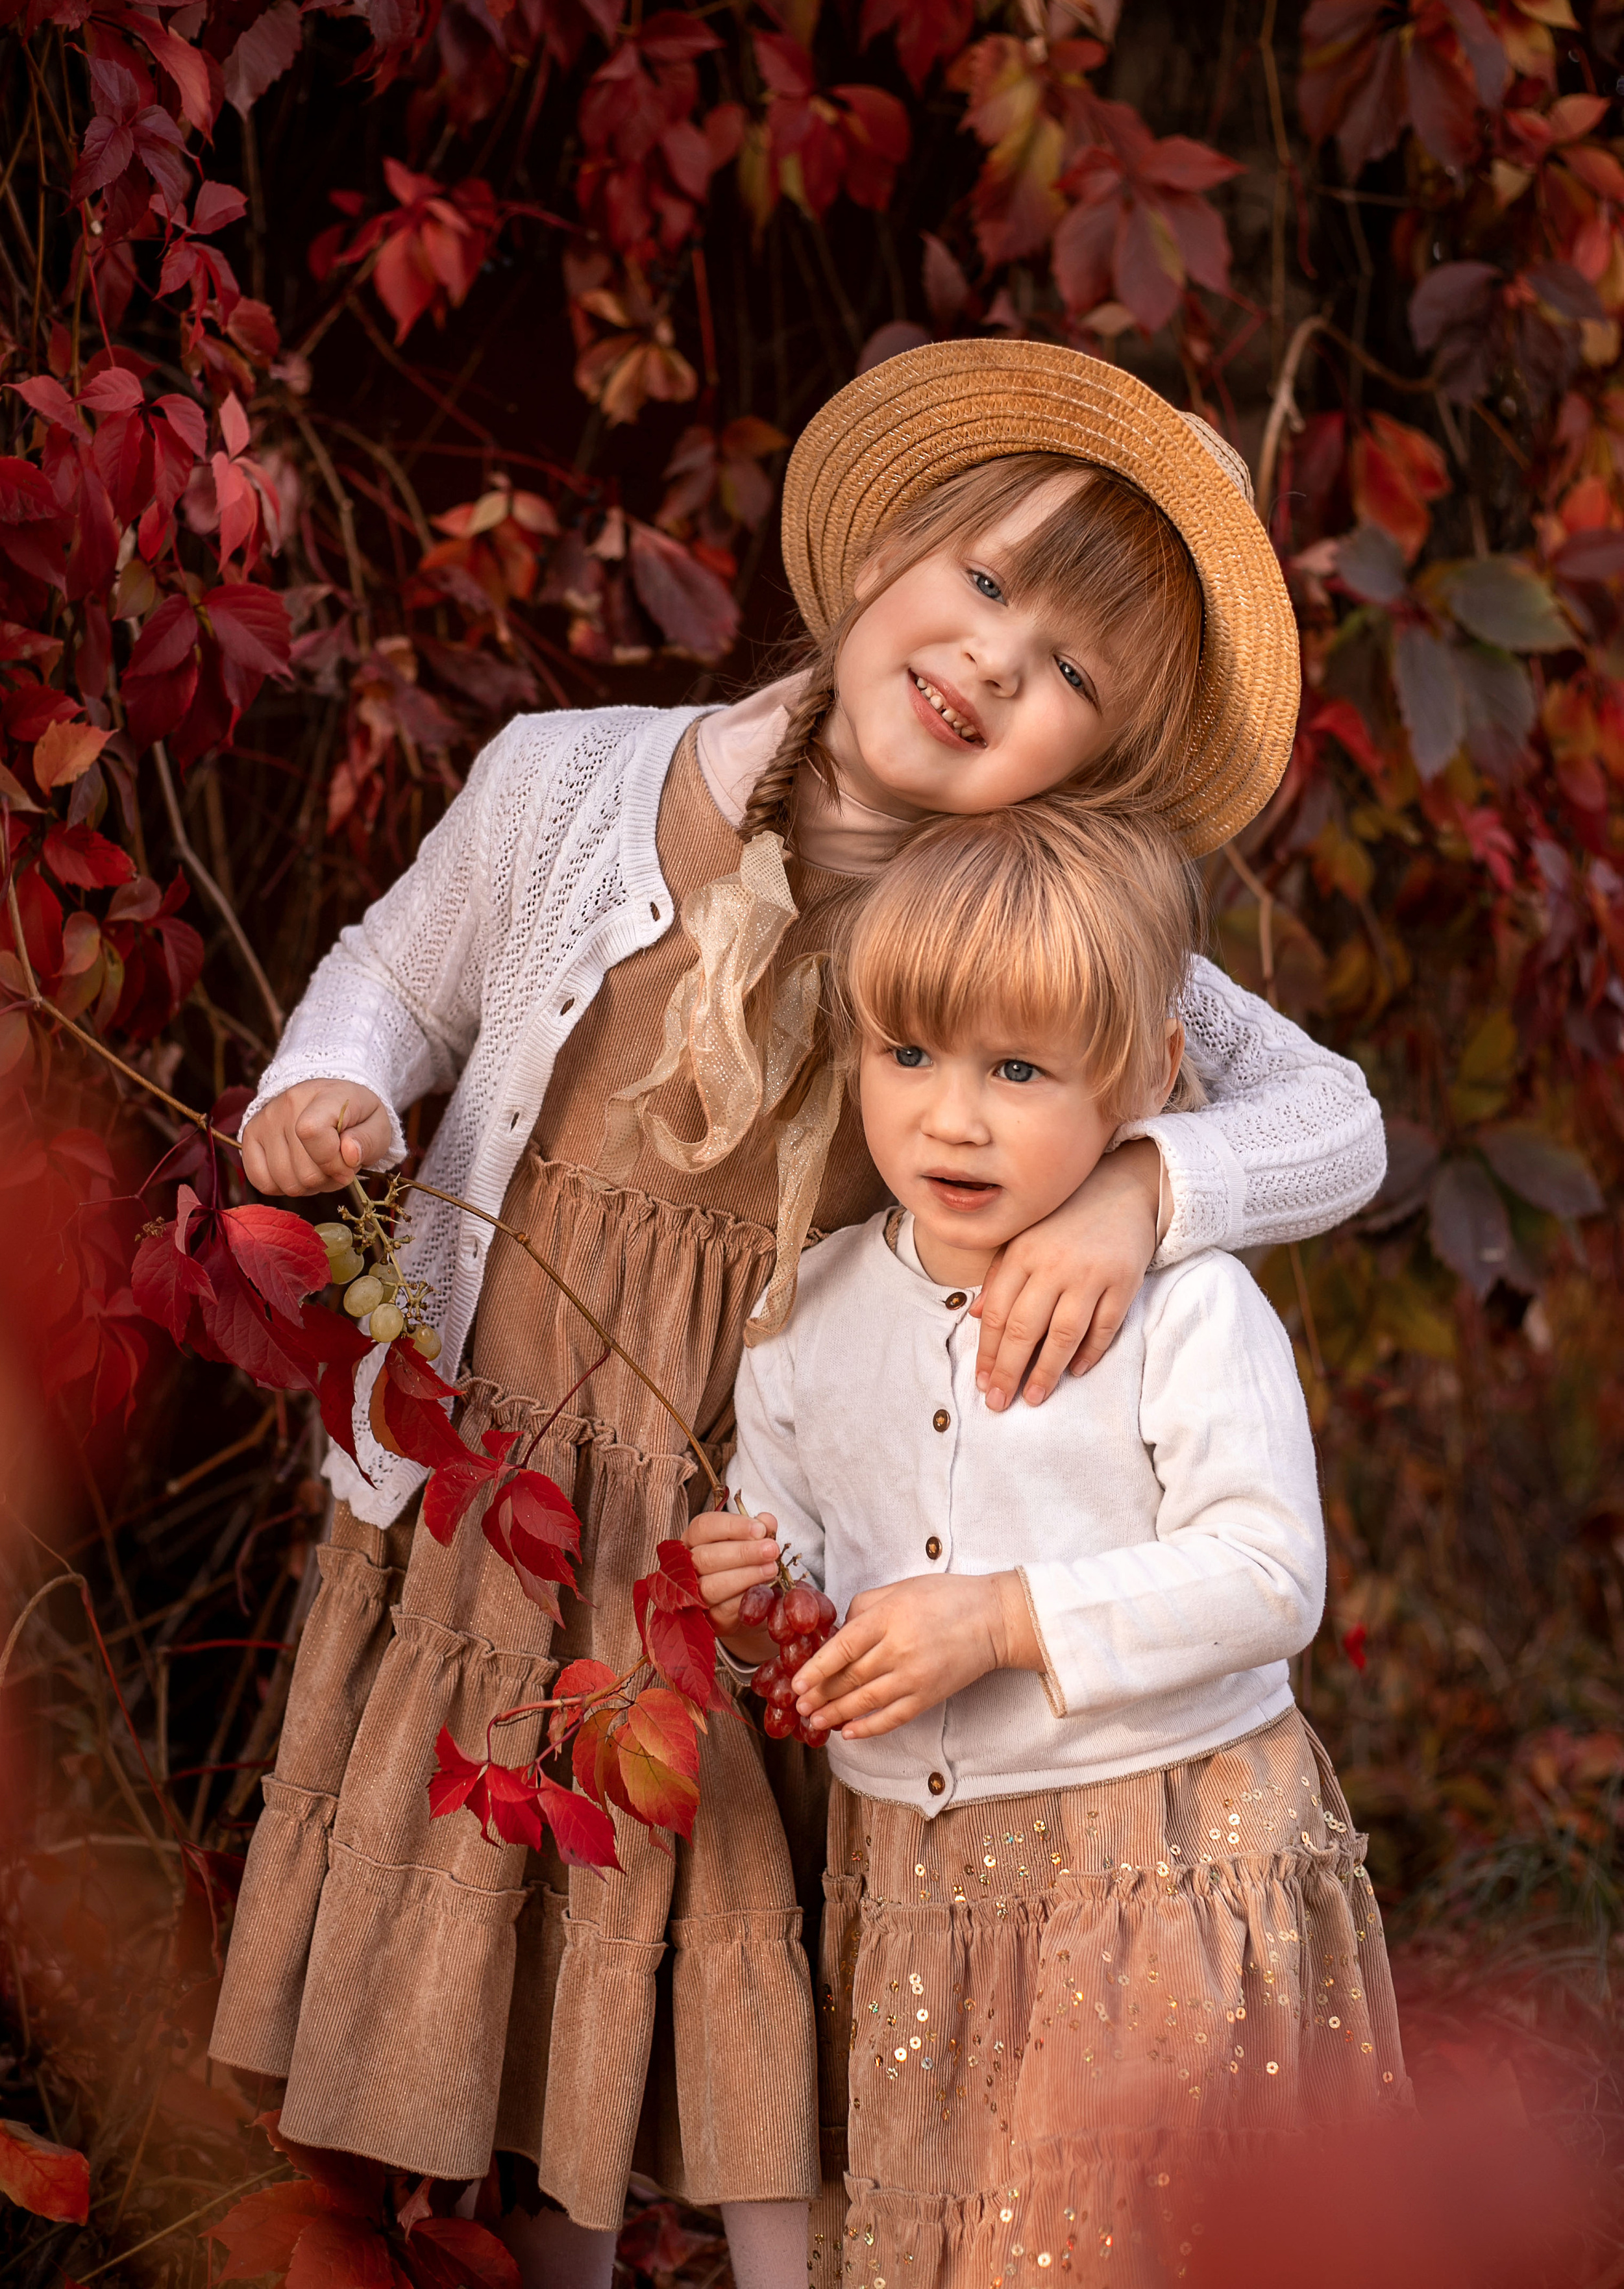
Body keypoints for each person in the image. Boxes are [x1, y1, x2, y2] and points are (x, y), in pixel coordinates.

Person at [208, 341, 1387, 2289]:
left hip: (765, 1528)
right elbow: (395, 976)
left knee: (719, 1918)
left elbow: (1329, 1115)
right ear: (886, 554)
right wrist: (320, 1088)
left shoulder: (1021, 917)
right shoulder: (570, 781)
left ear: (1086, 770)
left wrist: (1139, 1188)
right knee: (512, 1901)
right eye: (986, 582)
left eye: (1070, 673)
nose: (994, 661)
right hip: (513, 1471)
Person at [689, 802, 1406, 2289]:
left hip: (1154, 1858)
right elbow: (808, 1584)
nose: (951, 1118)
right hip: (919, 1884)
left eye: (1015, 1070)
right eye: (907, 1055)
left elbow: (1268, 1575)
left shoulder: (1186, 1307)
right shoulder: (806, 1319)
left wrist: (1002, 1619)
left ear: (1143, 1076)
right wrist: (760, 1609)